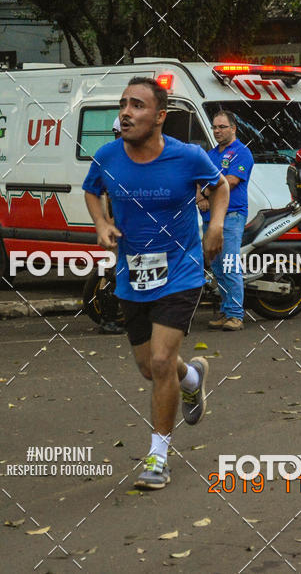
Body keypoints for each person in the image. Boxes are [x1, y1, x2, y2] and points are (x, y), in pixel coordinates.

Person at [82, 77, 229, 489]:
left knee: (162, 361)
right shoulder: (108, 156)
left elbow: (219, 186)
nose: (125, 112)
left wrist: (215, 224)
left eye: (137, 105)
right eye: (123, 104)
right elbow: (91, 191)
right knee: (150, 368)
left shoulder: (188, 156)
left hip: (181, 269)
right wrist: (101, 223)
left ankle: (158, 457)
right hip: (133, 273)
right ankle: (192, 379)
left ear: (160, 116)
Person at [197, 110, 254, 331]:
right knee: (218, 267)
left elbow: (230, 181)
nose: (217, 131)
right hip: (209, 218)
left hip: (231, 216)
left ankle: (236, 315)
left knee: (229, 265)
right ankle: (226, 310)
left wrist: (206, 193)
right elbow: (198, 179)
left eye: (222, 127)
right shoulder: (210, 155)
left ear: (233, 128)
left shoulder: (242, 152)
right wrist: (199, 196)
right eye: (214, 127)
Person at [96, 116, 126, 334]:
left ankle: (118, 316)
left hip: (125, 224)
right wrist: (108, 222)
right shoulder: (113, 159)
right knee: (113, 271)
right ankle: (108, 319)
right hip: (117, 224)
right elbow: (105, 195)